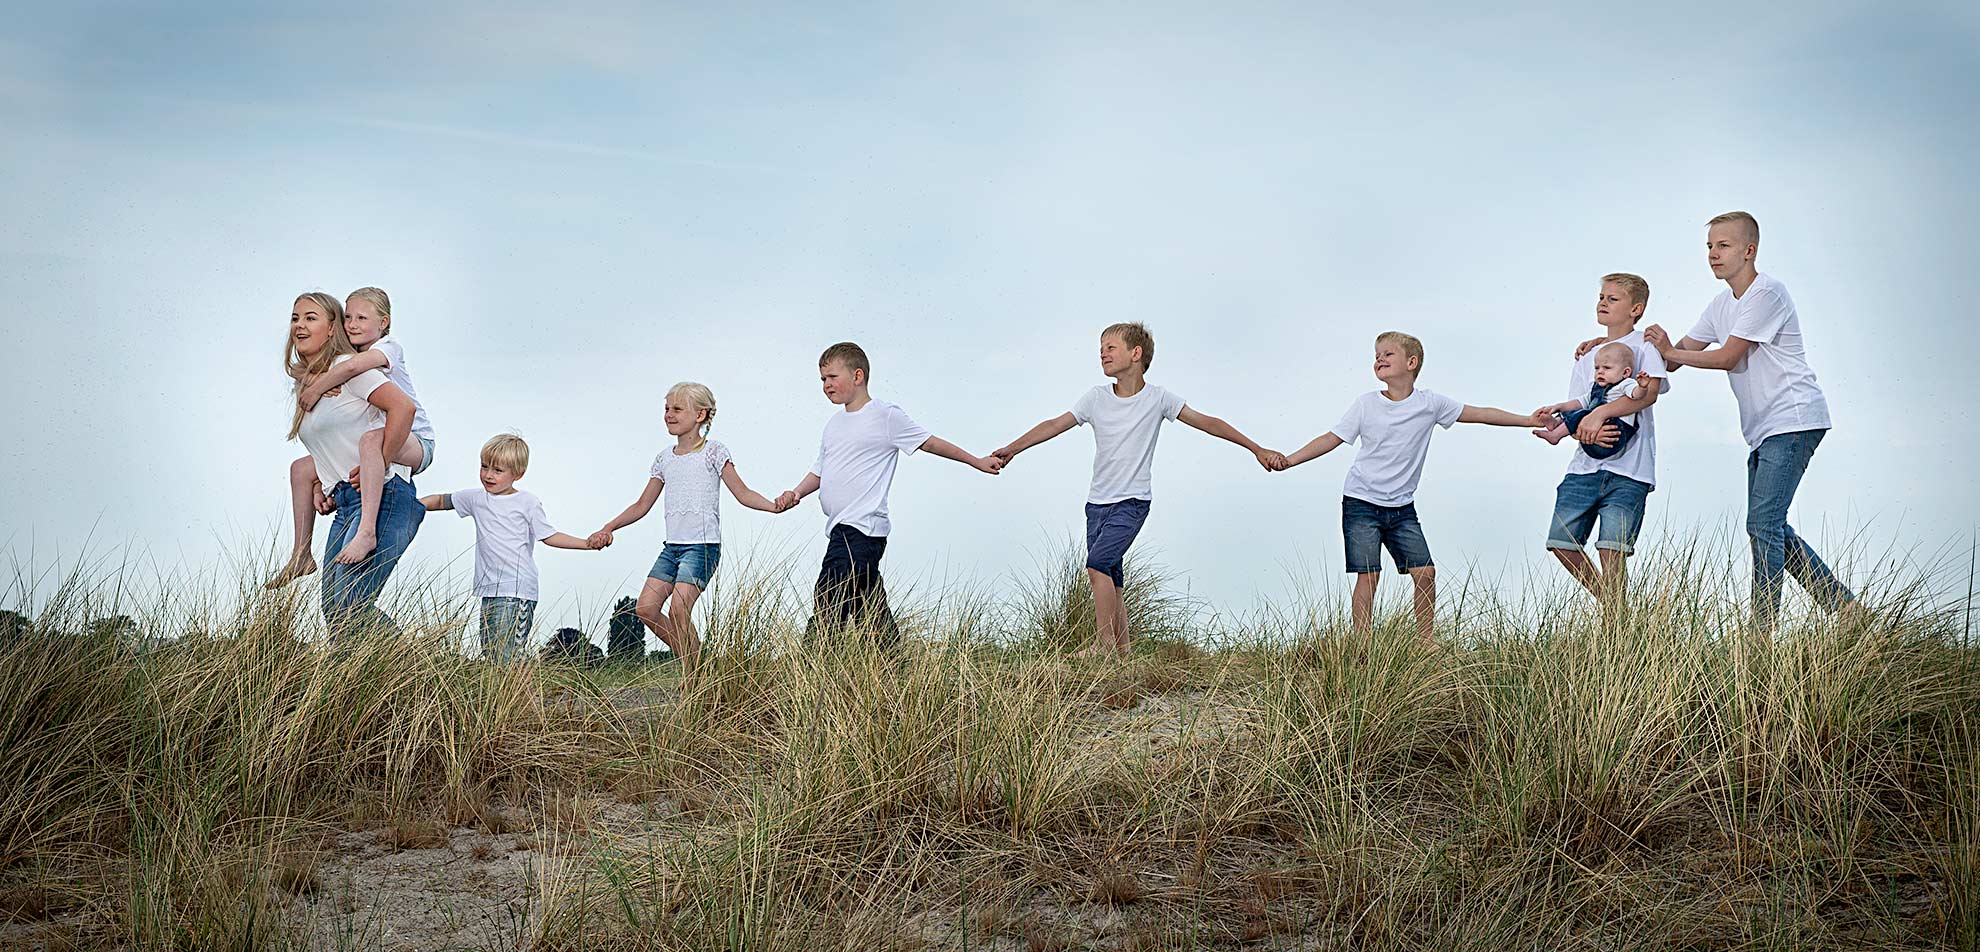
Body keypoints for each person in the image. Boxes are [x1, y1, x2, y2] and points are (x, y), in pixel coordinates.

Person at [990, 322, 1281, 656]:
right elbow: (1055, 424)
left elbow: (1208, 423)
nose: (1103, 353)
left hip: (1132, 502)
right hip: (1096, 504)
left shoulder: (1158, 399)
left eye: (1111, 347)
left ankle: (1103, 646)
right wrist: (1013, 448)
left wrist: (1255, 448)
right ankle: (1123, 650)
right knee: (1112, 578)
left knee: (1096, 565)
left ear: (1136, 353)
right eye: (1101, 348)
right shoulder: (1096, 398)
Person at [1642, 211, 1856, 630]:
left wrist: (1669, 352)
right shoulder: (1720, 305)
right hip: (1763, 430)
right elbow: (1679, 353)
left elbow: (1726, 356)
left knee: (1763, 524)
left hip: (1793, 418)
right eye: (1709, 247)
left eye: (1722, 246)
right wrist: (1614, 348)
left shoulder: (1767, 294)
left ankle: (1760, 634)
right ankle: (1846, 610)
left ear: (1749, 250)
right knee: (1769, 525)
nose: (1713, 254)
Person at [1270, 331, 1545, 644]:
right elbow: (1330, 439)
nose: (1379, 359)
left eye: (1388, 354)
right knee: (1369, 574)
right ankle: (1362, 646)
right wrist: (1290, 460)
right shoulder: (1366, 404)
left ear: (1411, 363)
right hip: (1361, 501)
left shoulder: (1431, 404)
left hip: (1401, 508)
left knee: (1425, 573)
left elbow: (1481, 414)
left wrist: (1528, 420)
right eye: (1377, 355)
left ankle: (1425, 643)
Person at [774, 342, 1001, 646]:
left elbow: (930, 442)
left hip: (862, 528)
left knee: (830, 594)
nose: (826, 385)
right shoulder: (833, 425)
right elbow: (820, 470)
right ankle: (890, 660)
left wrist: (976, 461)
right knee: (867, 604)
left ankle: (813, 663)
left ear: (857, 376)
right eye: (822, 380)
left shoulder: (884, 415)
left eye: (832, 376)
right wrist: (796, 493)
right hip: (840, 527)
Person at [587, 383, 788, 670]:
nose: (669, 414)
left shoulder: (714, 453)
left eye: (677, 409)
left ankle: (693, 677)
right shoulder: (664, 459)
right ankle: (698, 665)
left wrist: (772, 505)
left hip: (702, 548)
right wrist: (609, 527)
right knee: (645, 609)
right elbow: (641, 505)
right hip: (672, 549)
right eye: (666, 408)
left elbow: (743, 494)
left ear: (700, 415)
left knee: (679, 610)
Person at [269, 286, 436, 584]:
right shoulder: (324, 376)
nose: (299, 326)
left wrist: (323, 382)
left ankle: (368, 531)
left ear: (331, 328)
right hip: (348, 498)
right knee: (337, 615)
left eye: (310, 318)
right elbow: (337, 442)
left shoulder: (361, 362)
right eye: (295, 319)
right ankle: (300, 554)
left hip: (402, 464)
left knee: (350, 608)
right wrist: (324, 483)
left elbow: (403, 408)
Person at [1546, 274, 1672, 615]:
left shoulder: (1645, 347)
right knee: (1561, 542)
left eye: (1612, 299)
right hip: (1585, 465)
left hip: (1629, 467)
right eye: (1601, 297)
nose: (1602, 303)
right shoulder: (1587, 355)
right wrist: (1574, 428)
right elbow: (1580, 407)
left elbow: (1650, 395)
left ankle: (1615, 628)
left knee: (1612, 549)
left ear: (1636, 309)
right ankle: (1613, 604)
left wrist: (1600, 415)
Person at [419, 434, 595, 662]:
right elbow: (441, 501)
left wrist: (586, 544)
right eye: (484, 467)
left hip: (516, 590)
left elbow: (549, 536)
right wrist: (412, 505)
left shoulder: (527, 502)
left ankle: (529, 698)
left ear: (518, 474)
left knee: (508, 656)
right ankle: (506, 698)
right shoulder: (475, 498)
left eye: (497, 470)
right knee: (492, 654)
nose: (488, 475)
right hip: (488, 590)